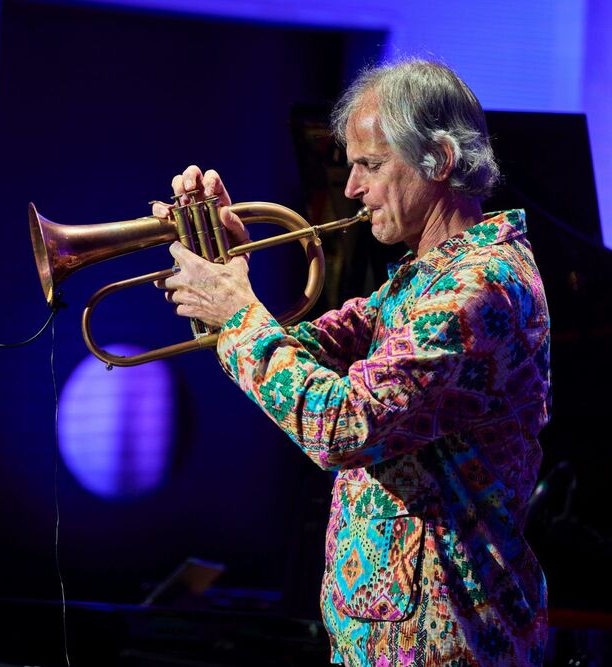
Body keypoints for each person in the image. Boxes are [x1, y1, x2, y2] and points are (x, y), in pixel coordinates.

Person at [153, 59, 550, 666]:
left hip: (443, 649)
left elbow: (340, 425)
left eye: (368, 165)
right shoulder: (421, 282)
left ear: (438, 161)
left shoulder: (476, 290)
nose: (351, 189)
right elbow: (297, 352)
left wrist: (237, 316)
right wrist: (226, 267)